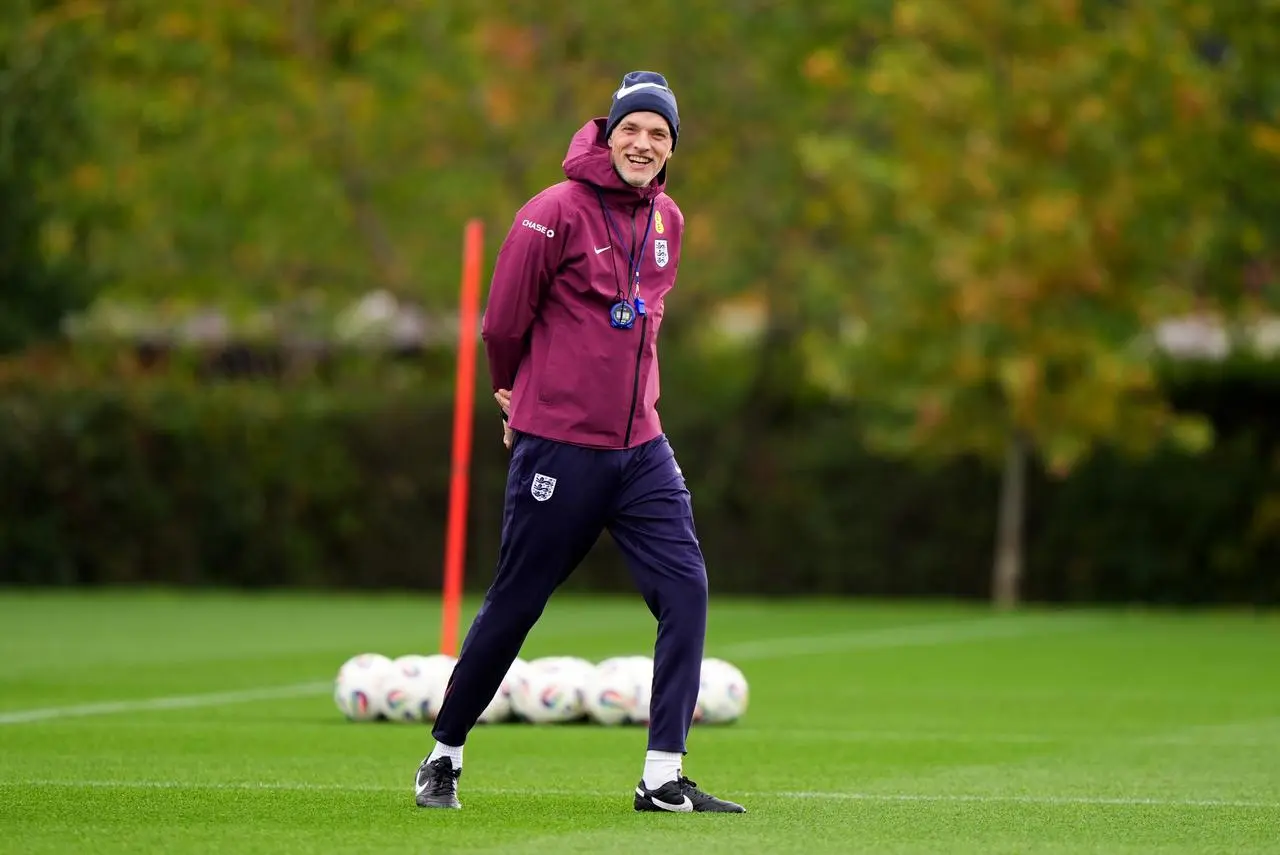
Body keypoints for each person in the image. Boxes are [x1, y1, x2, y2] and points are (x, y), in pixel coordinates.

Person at [412, 70, 745, 814]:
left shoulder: (670, 222)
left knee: (686, 589)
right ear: (608, 130)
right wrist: (512, 391)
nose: (643, 142)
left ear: (670, 150)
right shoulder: (551, 210)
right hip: (558, 444)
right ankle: (443, 754)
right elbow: (503, 321)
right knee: (518, 601)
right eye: (632, 127)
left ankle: (662, 776)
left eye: (659, 134)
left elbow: (641, 322)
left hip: (642, 449)